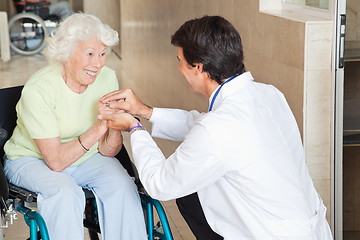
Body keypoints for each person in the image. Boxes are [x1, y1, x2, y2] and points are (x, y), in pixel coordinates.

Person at [98, 15, 334, 240]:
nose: (179, 69)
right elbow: (203, 126)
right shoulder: (269, 94)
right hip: (310, 228)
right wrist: (145, 111)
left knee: (184, 189)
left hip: (269, 233)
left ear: (198, 68)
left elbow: (161, 184)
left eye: (180, 62)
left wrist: (135, 128)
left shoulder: (217, 128)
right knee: (192, 193)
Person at [3, 13, 147, 240]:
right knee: (65, 193)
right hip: (30, 159)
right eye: (90, 54)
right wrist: (99, 129)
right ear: (67, 53)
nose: (97, 64)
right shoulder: (39, 89)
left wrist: (114, 125)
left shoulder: (107, 77)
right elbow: (56, 162)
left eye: (102, 54)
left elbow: (108, 151)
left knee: (123, 187)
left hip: (85, 158)